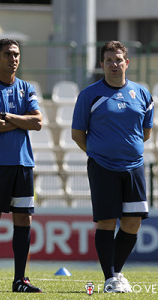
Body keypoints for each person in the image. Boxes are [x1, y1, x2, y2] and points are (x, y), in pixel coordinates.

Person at [72, 41, 154, 293]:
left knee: (132, 223)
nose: (114, 64)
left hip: (134, 167)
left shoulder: (142, 93)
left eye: (118, 60)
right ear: (102, 65)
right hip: (103, 167)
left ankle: (116, 273)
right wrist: (98, 154)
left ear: (127, 63)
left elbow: (146, 132)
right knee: (106, 222)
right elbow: (78, 134)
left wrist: (126, 150)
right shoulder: (89, 94)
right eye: (109, 60)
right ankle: (110, 278)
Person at [0, 38, 43, 293]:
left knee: (23, 220)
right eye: (7, 54)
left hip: (23, 163)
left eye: (16, 54)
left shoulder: (27, 87)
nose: (12, 58)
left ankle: (20, 280)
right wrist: (23, 121)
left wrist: (10, 117)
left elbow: (38, 122)